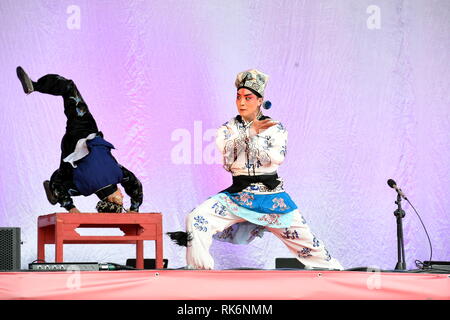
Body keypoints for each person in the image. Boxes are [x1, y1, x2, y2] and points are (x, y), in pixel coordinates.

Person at [168, 69, 343, 270]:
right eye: (238, 97)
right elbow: (227, 156)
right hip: (238, 197)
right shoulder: (228, 128)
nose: (242, 103)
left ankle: (336, 277)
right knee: (197, 218)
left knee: (310, 246)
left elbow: (276, 157)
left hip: (271, 198)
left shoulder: (275, 128)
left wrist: (250, 138)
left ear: (260, 100)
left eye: (248, 98)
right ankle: (199, 273)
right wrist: (251, 133)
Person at [16, 66, 143, 213]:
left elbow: (136, 185)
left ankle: (36, 86)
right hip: (69, 149)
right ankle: (53, 191)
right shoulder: (82, 188)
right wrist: (71, 207)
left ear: (113, 200)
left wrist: (135, 208)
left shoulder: (116, 173)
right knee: (61, 176)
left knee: (69, 87)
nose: (122, 195)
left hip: (84, 132)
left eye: (121, 199)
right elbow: (61, 185)